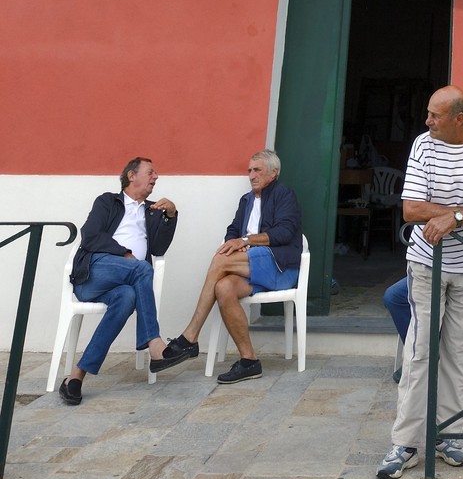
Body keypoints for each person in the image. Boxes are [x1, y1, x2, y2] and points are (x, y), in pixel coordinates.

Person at [376, 86, 463, 479]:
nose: (427, 121)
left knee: (459, 354)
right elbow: (411, 208)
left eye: (435, 115)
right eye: (428, 113)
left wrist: (455, 218)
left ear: (458, 118)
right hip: (426, 264)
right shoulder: (423, 145)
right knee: (419, 353)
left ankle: (447, 434)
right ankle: (405, 443)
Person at [159, 149, 302, 384]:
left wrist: (245, 241)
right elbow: (233, 230)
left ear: (273, 173)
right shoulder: (246, 200)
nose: (251, 175)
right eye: (249, 170)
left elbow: (284, 232)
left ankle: (190, 336)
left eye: (257, 170)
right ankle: (249, 361)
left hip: (280, 267)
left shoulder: (284, 194)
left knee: (220, 259)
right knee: (223, 288)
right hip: (253, 266)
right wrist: (235, 244)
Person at [59, 157, 179, 405]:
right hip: (94, 274)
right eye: (150, 172)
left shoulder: (153, 210)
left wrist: (170, 216)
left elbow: (158, 248)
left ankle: (76, 376)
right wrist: (124, 253)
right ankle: (153, 342)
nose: (156, 177)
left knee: (127, 297)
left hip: (122, 285)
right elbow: (90, 236)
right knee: (143, 268)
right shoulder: (108, 201)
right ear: (131, 176)